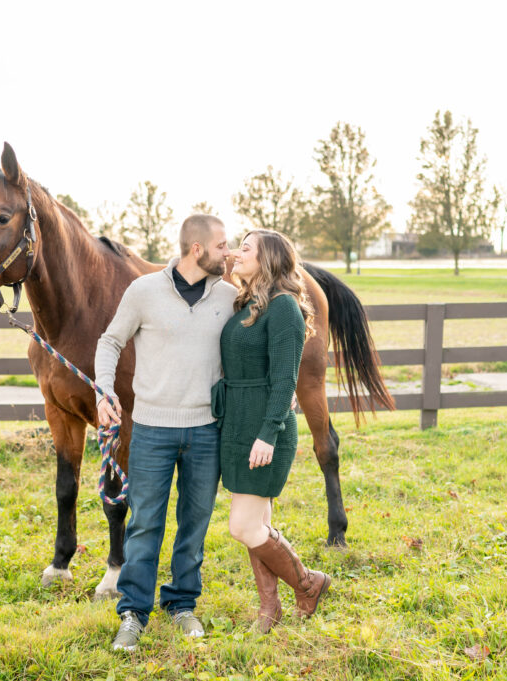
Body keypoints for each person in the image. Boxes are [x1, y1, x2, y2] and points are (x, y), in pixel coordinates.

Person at [94, 214, 236, 651]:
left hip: (207, 430)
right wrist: (103, 391)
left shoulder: (230, 296)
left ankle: (181, 603)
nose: (227, 253)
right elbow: (110, 341)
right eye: (222, 245)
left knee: (194, 523)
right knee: (145, 524)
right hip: (153, 429)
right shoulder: (144, 291)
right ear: (197, 249)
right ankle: (134, 613)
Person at [213, 229, 331, 634]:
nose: (236, 252)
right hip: (237, 423)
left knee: (243, 526)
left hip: (266, 428)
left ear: (269, 259)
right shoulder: (247, 303)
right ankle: (269, 609)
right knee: (257, 522)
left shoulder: (283, 309)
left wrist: (268, 433)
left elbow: (285, 381)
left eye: (246, 248)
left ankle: (307, 582)